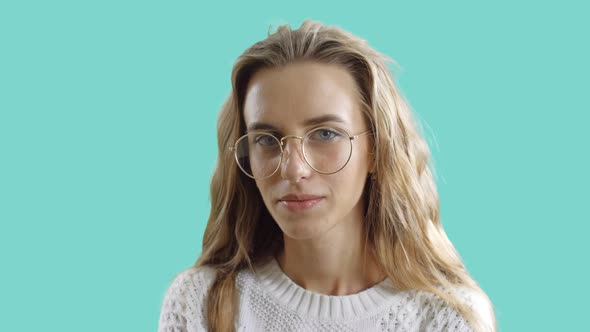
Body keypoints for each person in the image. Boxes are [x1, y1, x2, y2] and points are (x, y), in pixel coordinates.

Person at [158, 19, 496, 332]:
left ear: (377, 149)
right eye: (266, 140)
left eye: (325, 134)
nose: (293, 169)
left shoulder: (446, 318)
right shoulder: (200, 302)